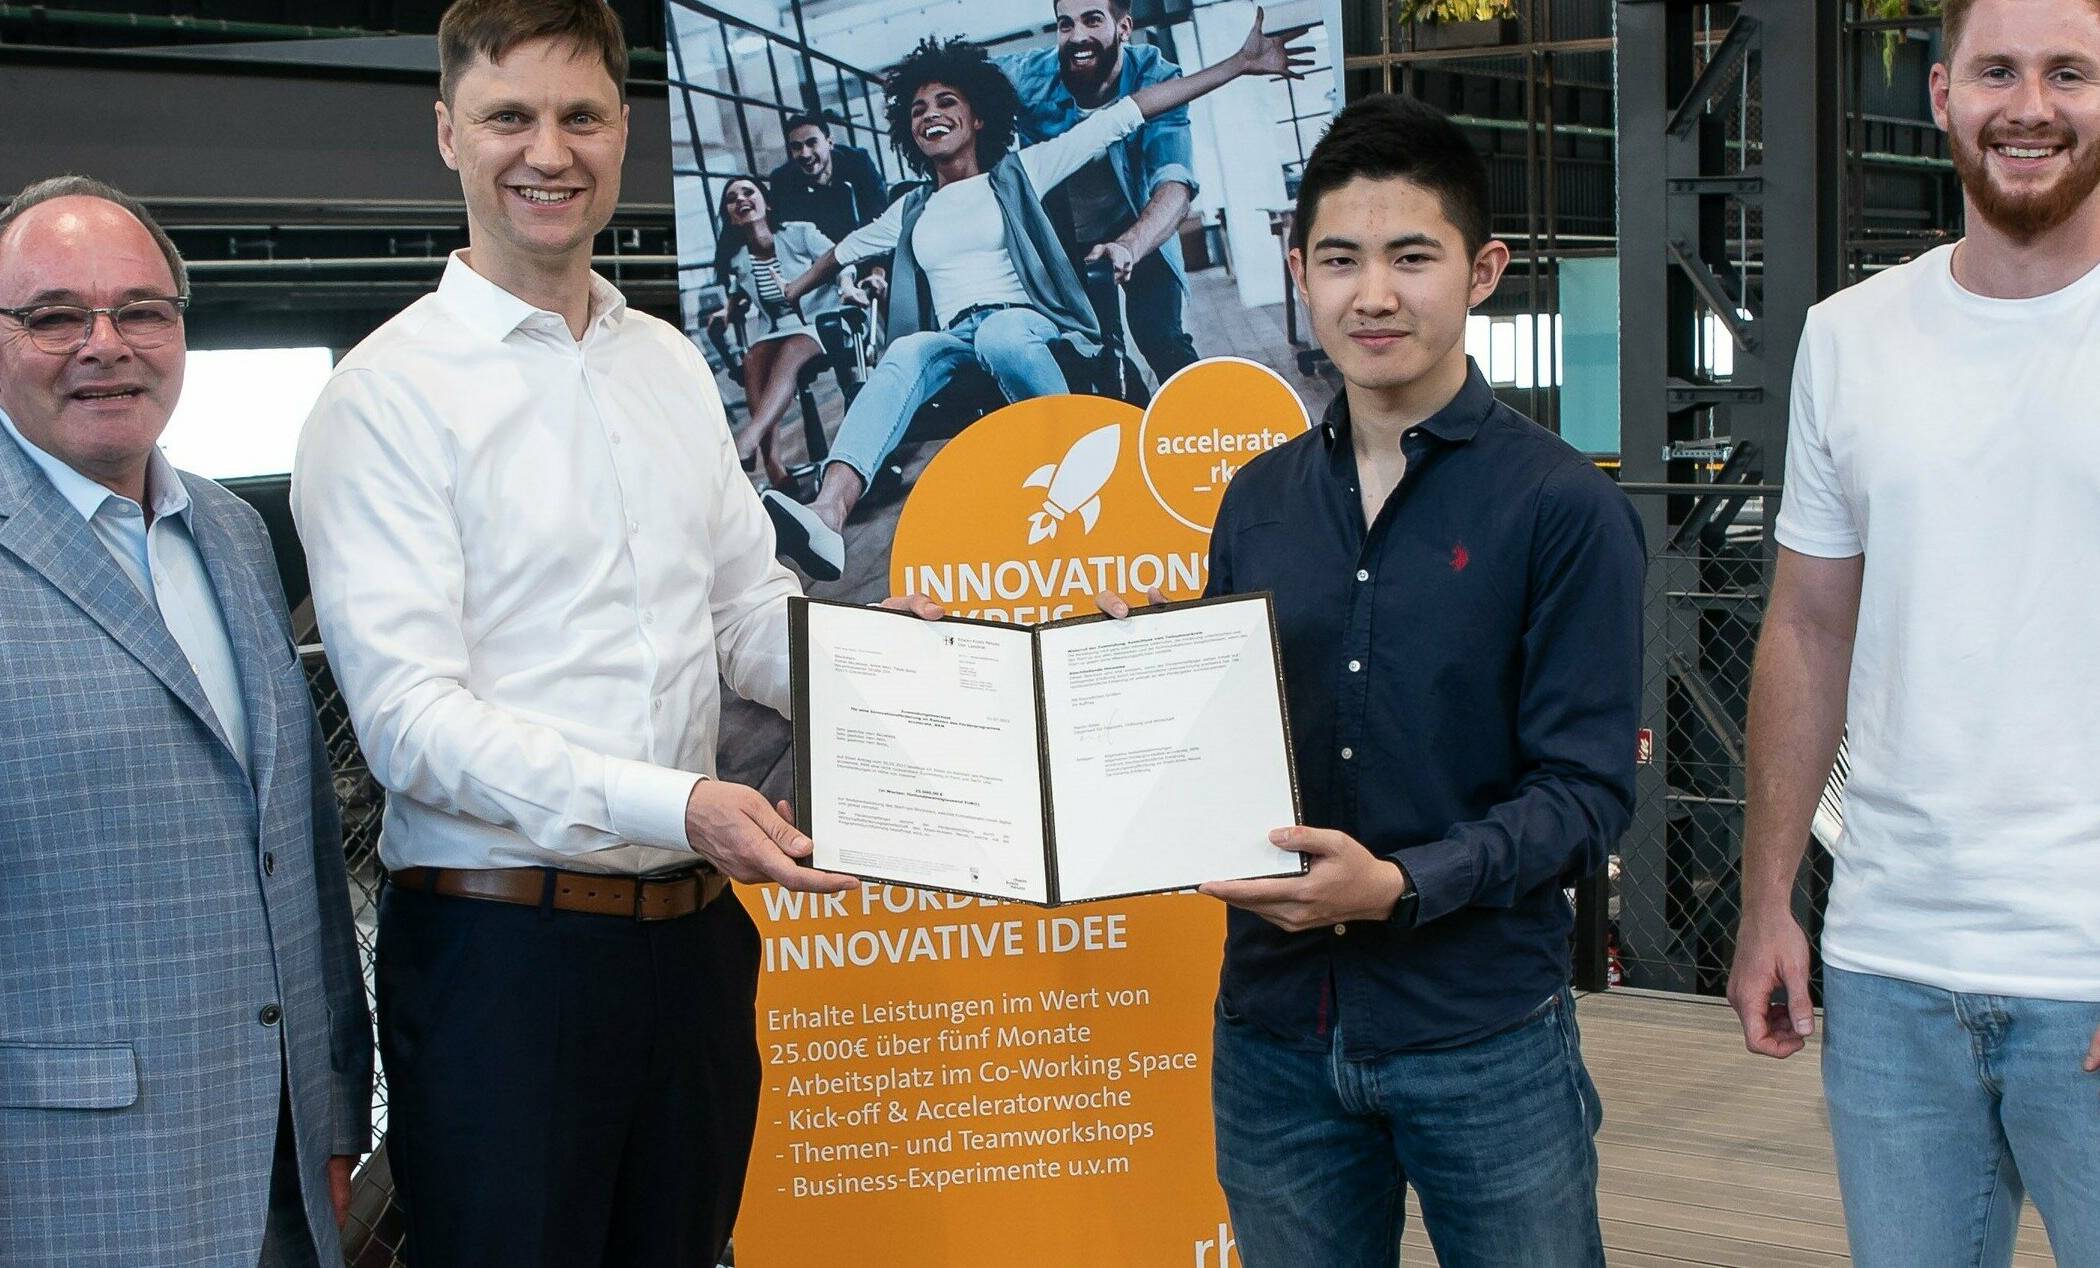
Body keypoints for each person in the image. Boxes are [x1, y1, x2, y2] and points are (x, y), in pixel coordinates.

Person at [291, 3, 933, 1264]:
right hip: (502, 960)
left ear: (622, 132)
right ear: (448, 134)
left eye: (580, 115)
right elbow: (412, 726)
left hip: (694, 947)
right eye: (510, 117)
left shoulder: (668, 365)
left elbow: (742, 612)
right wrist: (677, 803)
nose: (549, 151)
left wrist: (870, 661)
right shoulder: (383, 398)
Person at [1103, 94, 1644, 1265]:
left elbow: (1587, 791)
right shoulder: (1257, 502)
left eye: (1412, 256)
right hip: (1275, 1036)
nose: (1374, 294)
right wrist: (1120, 681)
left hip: (1483, 1035)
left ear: (1483, 271)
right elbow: (1229, 737)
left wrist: (1399, 884)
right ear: (1299, 272)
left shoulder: (1562, 508)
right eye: (1341, 259)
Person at [1727, 0, 2100, 1263]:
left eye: (2069, 72)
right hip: (1889, 967)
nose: (2031, 106)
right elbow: (1808, 624)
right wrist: (1767, 899)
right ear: (1942, 94)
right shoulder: (1851, 336)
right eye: (1998, 70)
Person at [0, 175, 372, 1268]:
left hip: (282, 1170)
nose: (105, 345)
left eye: (141, 310)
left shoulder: (231, 530)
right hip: (63, 1184)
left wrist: (336, 1102)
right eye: (55, 316)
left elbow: (302, 845)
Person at [762, 10, 1310, 581]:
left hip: (1025, 322)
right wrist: (795, 289)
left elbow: (1129, 113)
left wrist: (1238, 63)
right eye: (918, 109)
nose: (930, 114)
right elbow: (843, 251)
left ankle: (1088, 480)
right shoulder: (910, 208)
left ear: (977, 117)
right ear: (909, 129)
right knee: (902, 352)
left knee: (1003, 335)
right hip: (955, 339)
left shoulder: (1022, 171)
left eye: (946, 102)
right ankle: (827, 515)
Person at [998, 0, 1203, 383]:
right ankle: (1123, 413)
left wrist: (1129, 246)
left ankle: (1200, 420)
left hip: (1138, 224)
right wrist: (913, 79)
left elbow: (1174, 183)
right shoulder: (1028, 76)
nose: (1077, 36)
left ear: (1124, 27)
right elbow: (959, 77)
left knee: (1162, 338)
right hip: (1066, 239)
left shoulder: (1155, 77)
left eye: (1092, 20)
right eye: (1065, 24)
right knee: (1098, 354)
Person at [709, 174, 857, 486]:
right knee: (752, 359)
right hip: (776, 328)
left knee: (790, 350)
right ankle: (776, 471)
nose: (741, 200)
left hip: (821, 320)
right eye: (732, 199)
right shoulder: (739, 258)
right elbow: (739, 293)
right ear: (730, 217)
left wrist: (847, 287)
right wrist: (727, 310)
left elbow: (842, 261)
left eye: (748, 192)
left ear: (766, 202)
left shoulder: (800, 232)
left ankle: (747, 440)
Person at [766, 112, 890, 245]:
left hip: (863, 247)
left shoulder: (857, 162)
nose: (805, 154)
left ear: (830, 143)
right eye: (796, 147)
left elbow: (878, 213)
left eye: (812, 143)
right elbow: (790, 234)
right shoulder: (783, 181)